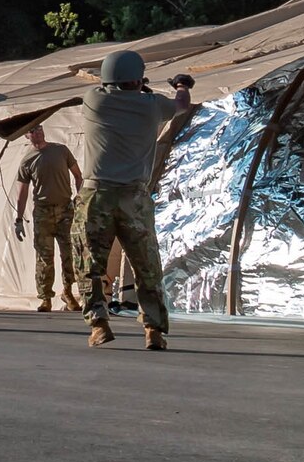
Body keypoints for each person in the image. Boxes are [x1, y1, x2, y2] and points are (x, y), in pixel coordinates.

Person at [72, 52, 191, 349]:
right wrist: (181, 85)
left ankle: (98, 324)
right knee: (145, 264)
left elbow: (106, 87)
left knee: (89, 262)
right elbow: (181, 105)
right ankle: (154, 330)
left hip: (96, 195)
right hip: (134, 197)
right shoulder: (152, 107)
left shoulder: (94, 100)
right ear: (137, 79)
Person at [12, 125, 83, 312]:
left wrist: (79, 198)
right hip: (43, 213)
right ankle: (45, 298)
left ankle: (67, 292)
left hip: (65, 210)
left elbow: (78, 175)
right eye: (33, 131)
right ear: (27, 136)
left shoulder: (61, 151)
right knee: (44, 257)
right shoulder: (27, 161)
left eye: (40, 128)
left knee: (70, 254)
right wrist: (18, 220)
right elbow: (22, 192)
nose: (38, 132)